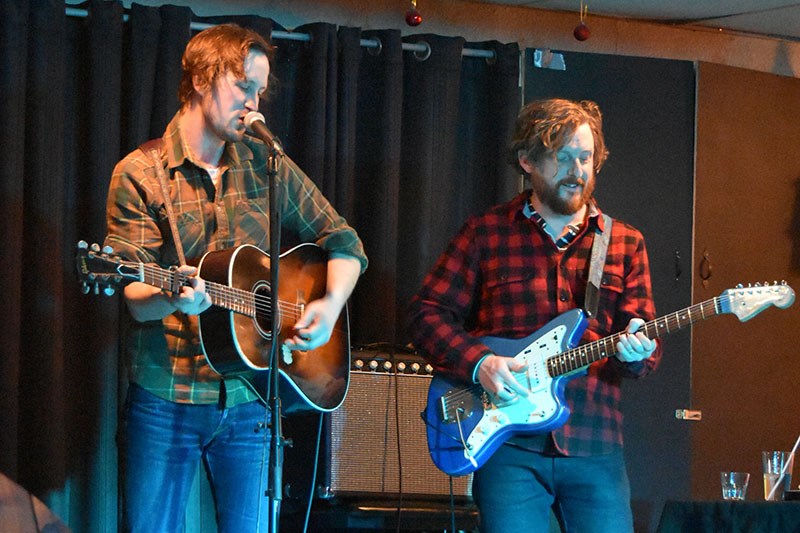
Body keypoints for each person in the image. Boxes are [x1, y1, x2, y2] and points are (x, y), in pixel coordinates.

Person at [103, 24, 367, 531]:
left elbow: (344, 241)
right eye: (244, 86)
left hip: (252, 398)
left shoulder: (265, 162)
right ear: (202, 79)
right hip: (168, 400)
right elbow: (134, 295)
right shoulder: (140, 172)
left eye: (260, 91)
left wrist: (329, 305)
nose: (255, 104)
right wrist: (173, 295)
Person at [407, 98, 661, 533]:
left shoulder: (624, 242)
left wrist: (638, 350)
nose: (577, 170)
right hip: (508, 444)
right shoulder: (486, 232)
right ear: (527, 161)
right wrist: (480, 363)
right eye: (562, 158)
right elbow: (425, 314)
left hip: (594, 442)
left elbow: (642, 358)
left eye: (585, 158)